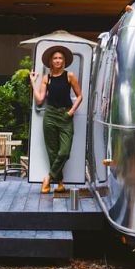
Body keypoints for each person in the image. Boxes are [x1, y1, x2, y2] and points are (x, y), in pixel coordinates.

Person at [29, 45, 83, 194]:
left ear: (64, 61)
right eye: (55, 58)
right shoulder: (47, 78)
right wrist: (33, 82)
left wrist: (71, 112)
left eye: (60, 58)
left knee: (64, 152)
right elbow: (40, 100)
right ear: (51, 62)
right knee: (52, 152)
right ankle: (60, 183)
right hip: (50, 116)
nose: (58, 60)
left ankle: (48, 178)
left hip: (65, 115)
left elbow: (80, 96)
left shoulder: (69, 76)